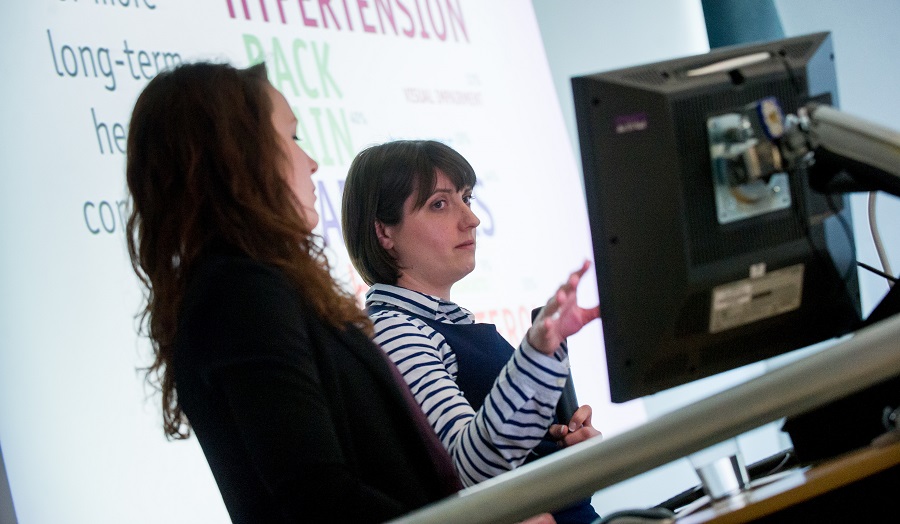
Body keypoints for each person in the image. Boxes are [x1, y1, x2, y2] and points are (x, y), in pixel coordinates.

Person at [125, 63, 464, 523]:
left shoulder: (252, 286)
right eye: (293, 137)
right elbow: (319, 497)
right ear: (239, 155)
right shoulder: (240, 293)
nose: (312, 163)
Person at [341, 140, 603, 522]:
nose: (471, 219)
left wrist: (569, 457)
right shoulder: (395, 330)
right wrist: (536, 352)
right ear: (384, 232)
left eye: (467, 198)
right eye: (440, 204)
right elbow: (468, 469)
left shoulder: (447, 322)